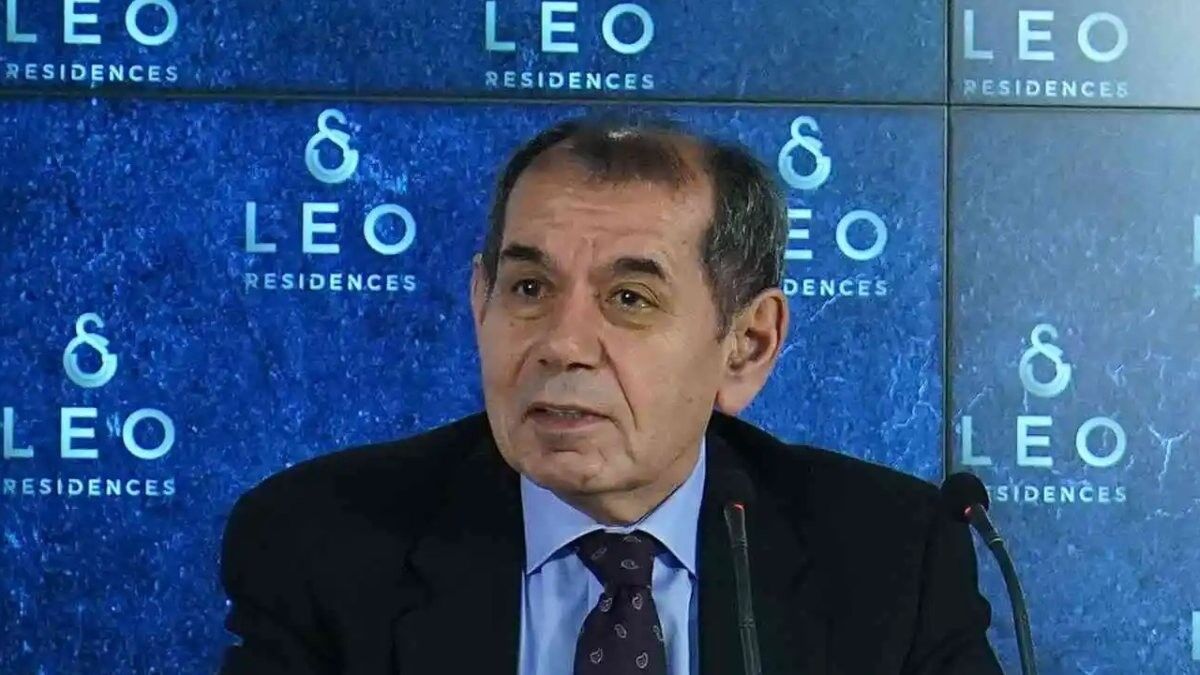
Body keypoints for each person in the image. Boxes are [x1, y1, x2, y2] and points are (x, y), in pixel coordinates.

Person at [218, 117, 1003, 675]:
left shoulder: (891, 562)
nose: (562, 343)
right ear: (480, 302)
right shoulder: (322, 544)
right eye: (529, 287)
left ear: (746, 345)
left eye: (630, 299)